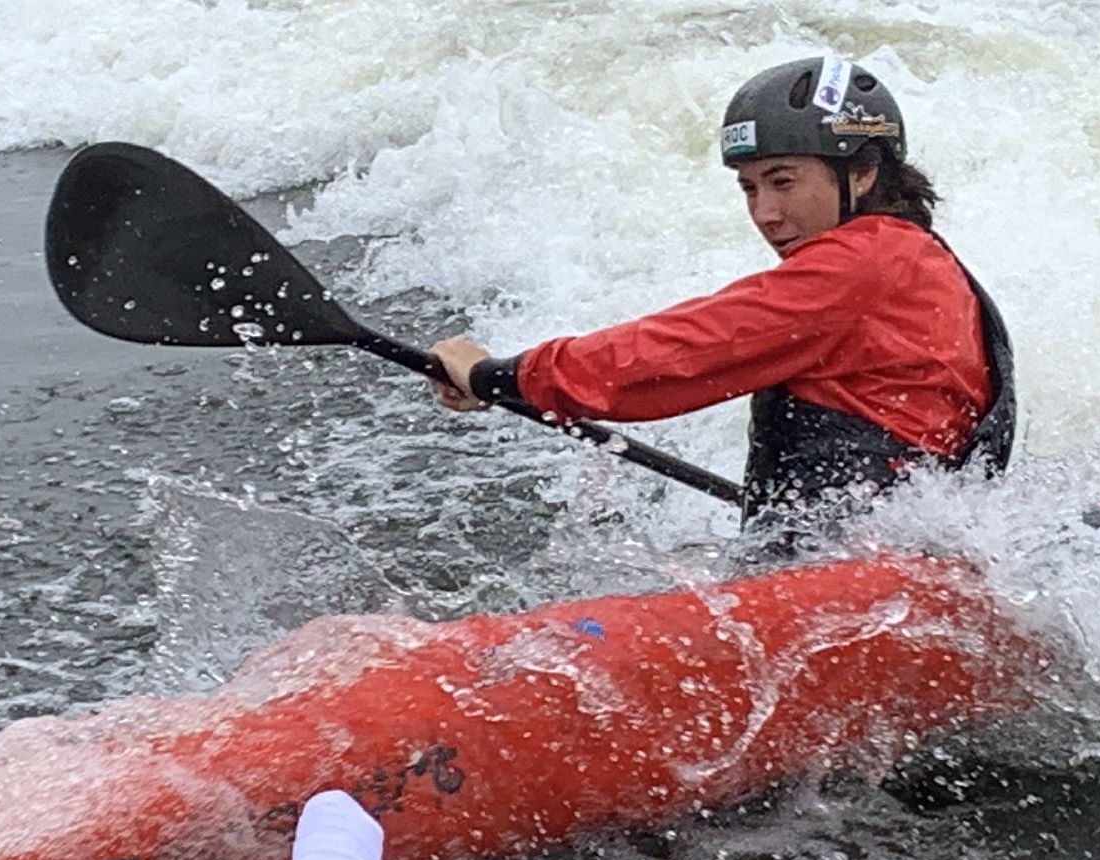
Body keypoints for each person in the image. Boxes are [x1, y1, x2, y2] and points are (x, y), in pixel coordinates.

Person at [430, 53, 1015, 532]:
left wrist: (504, 376)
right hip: (882, 549)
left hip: (864, 569)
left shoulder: (865, 263)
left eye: (783, 182)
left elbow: (684, 352)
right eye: (749, 188)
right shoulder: (914, 254)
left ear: (862, 171)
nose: (765, 213)